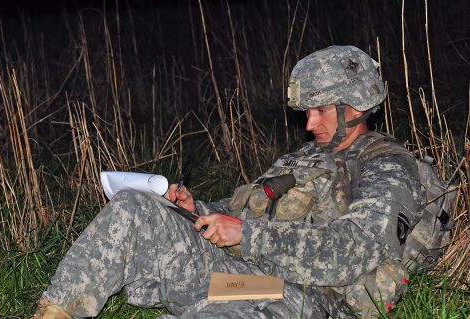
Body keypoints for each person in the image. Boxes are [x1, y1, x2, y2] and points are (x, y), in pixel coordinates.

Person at [33, 45, 424, 319]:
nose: (309, 124)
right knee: (134, 205)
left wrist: (248, 236)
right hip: (242, 270)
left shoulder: (386, 169)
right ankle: (55, 312)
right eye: (307, 111)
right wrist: (197, 210)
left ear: (354, 106)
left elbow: (356, 251)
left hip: (305, 297)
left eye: (320, 111)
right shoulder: (303, 158)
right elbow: (246, 212)